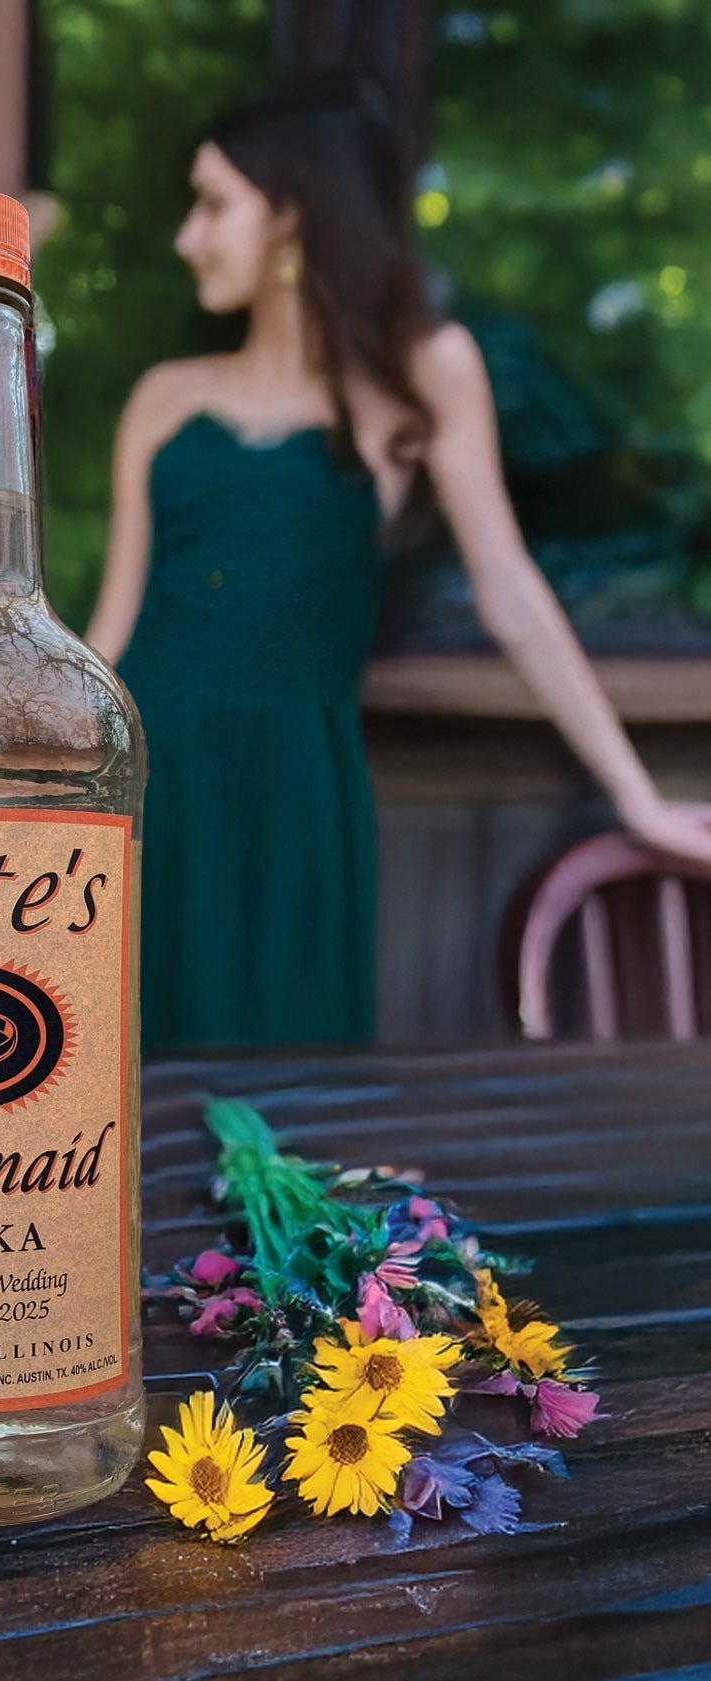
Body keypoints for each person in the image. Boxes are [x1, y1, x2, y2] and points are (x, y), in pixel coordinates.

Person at [86, 77, 711, 1051]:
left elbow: (509, 592)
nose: (185, 237)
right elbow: (105, 638)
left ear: (292, 212)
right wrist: (21, 793)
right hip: (139, 783)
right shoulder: (163, 397)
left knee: (288, 1082)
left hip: (293, 790)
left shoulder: (422, 371)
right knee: (118, 1069)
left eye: (211, 204)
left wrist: (636, 796)